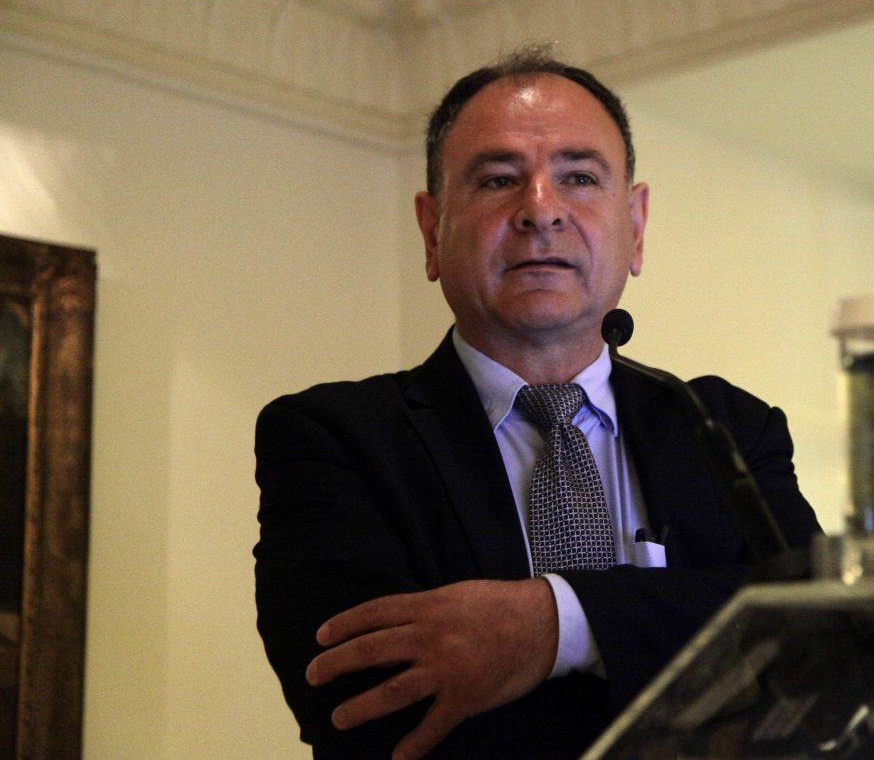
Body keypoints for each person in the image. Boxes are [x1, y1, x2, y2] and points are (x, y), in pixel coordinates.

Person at [254, 46, 820, 759]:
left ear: (636, 224)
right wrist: (687, 638)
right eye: (498, 179)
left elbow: (825, 638)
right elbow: (368, 707)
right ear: (431, 230)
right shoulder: (332, 439)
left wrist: (555, 623)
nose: (541, 210)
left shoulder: (728, 427)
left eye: (579, 176)